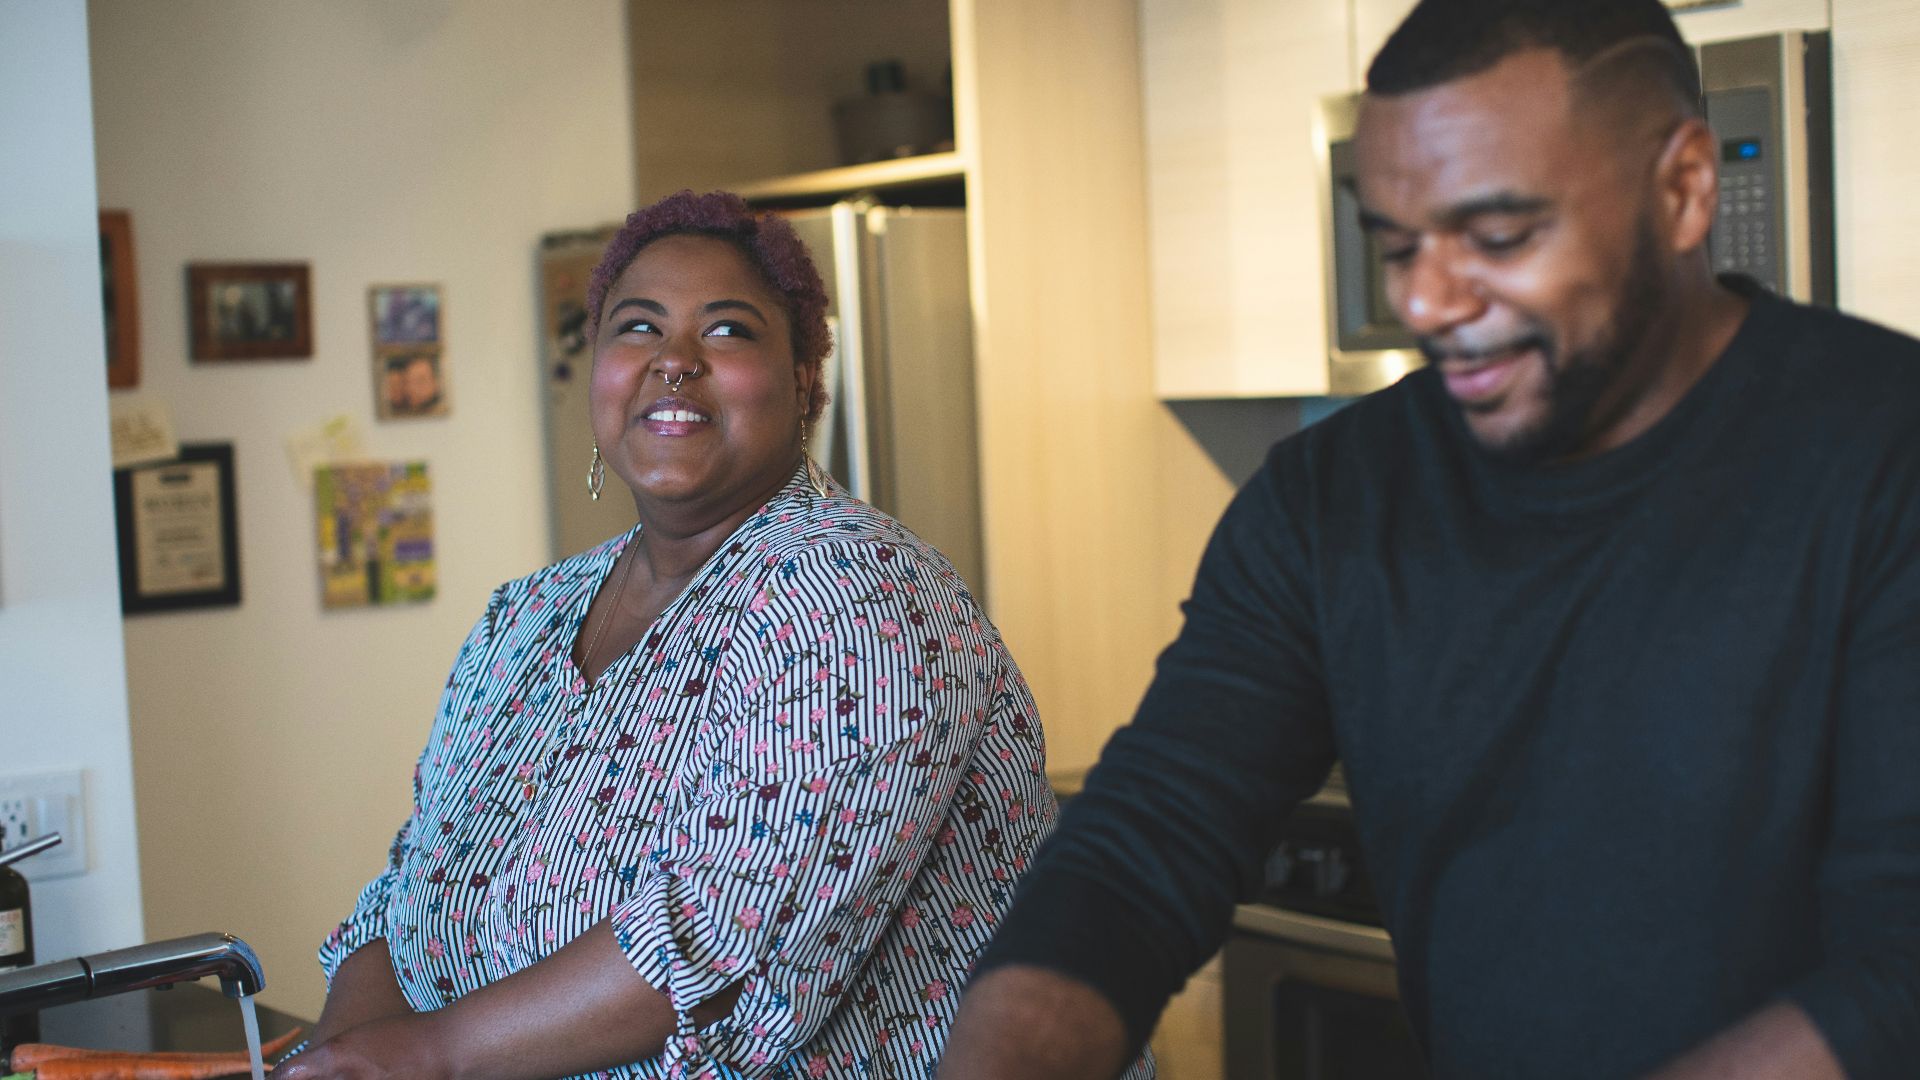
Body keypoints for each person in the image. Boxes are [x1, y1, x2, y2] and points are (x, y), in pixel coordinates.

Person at [939, 1, 1920, 1078]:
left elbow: (1899, 971)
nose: (1427, 299)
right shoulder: (1332, 499)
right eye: (1398, 247)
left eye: (1498, 237)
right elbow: (1145, 851)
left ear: (1685, 189)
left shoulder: (1884, 451)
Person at [276, 190, 1057, 1078]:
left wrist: (429, 1055)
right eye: (638, 328)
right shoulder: (525, 618)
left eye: (726, 331)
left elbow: (725, 940)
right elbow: (415, 887)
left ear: (805, 378)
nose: (674, 361)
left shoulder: (862, 595)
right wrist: (344, 1050)